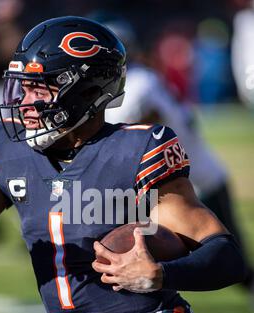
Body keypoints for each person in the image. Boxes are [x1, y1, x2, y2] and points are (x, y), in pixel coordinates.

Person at [0, 16, 246, 313]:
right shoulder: (9, 148)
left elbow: (227, 255)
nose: (24, 100)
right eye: (23, 85)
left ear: (86, 91)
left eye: (40, 88)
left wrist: (161, 274)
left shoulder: (136, 149)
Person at [102, 15, 254, 297]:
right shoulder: (143, 78)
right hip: (183, 176)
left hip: (186, 181)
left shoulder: (138, 84)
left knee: (228, 262)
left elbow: (125, 132)